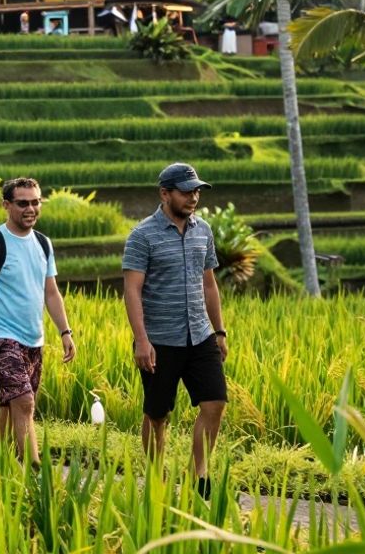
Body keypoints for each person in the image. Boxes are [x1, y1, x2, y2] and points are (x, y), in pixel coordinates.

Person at [121, 162, 227, 500]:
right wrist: (141, 340)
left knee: (214, 404)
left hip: (200, 333)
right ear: (165, 194)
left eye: (196, 191)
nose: (193, 197)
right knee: (157, 414)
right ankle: (156, 478)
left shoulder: (203, 231)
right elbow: (132, 290)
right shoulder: (142, 235)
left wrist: (220, 331)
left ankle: (200, 477)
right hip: (160, 340)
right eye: (186, 191)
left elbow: (209, 284)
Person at [0, 178, 76, 466]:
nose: (31, 208)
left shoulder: (43, 243)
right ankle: (34, 471)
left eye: (35, 202)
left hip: (33, 339)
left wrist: (65, 331)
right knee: (25, 403)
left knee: (10, 406)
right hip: (0, 337)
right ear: (6, 205)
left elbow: (50, 291)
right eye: (23, 203)